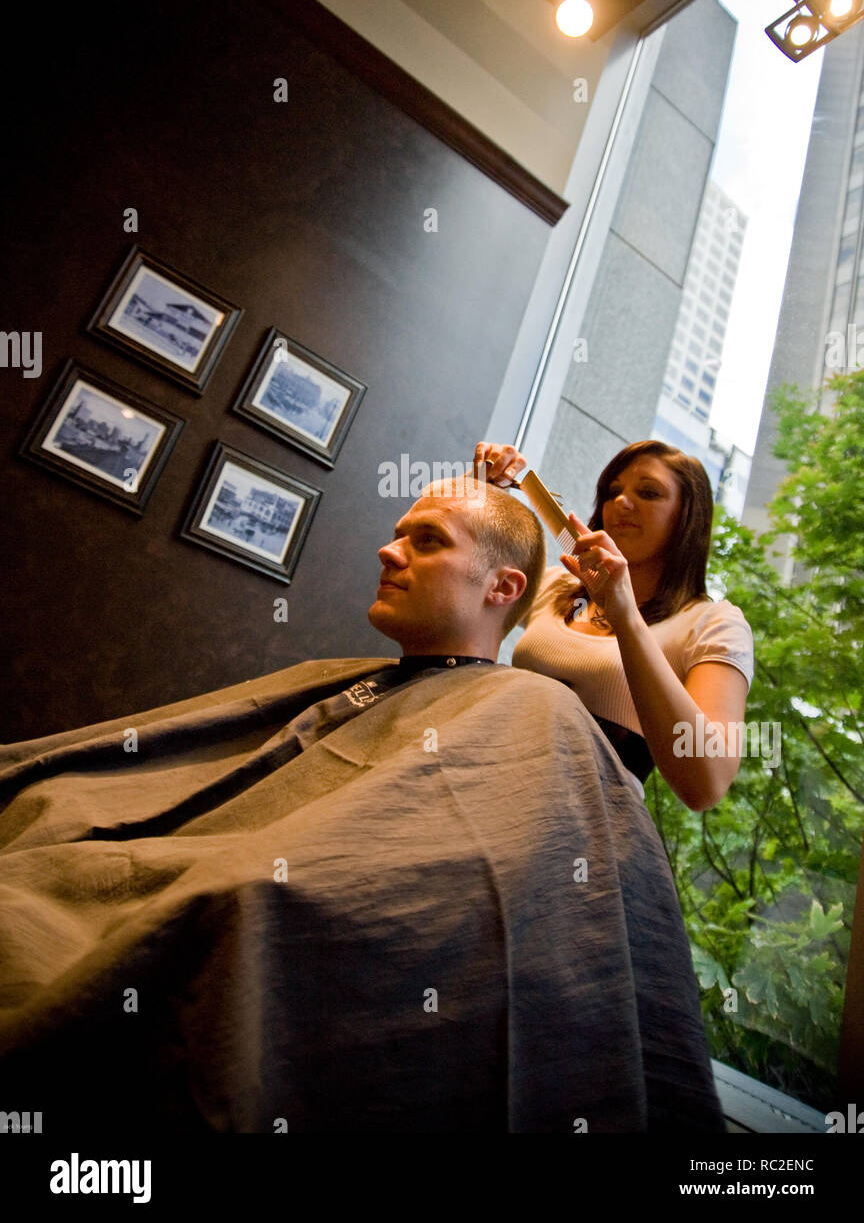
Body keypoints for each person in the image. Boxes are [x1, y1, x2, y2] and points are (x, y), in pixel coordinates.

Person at [0, 477, 724, 1133]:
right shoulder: (368, 674)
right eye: (399, 532)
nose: (387, 549)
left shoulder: (570, 692)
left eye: (427, 540)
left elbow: (699, 776)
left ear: (501, 588)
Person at [475, 440, 754, 811]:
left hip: (587, 830)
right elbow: (454, 594)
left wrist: (626, 618)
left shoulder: (712, 624)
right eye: (612, 491)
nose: (621, 502)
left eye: (649, 492)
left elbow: (706, 783)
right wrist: (482, 491)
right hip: (486, 791)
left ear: (689, 517)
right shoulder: (556, 587)